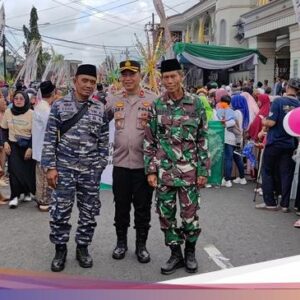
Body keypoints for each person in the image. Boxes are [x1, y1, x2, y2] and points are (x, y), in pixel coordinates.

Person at [144, 59, 210, 275]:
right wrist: (151, 170)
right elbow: (149, 140)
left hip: (189, 172)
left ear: (181, 76)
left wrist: (202, 170)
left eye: (173, 76)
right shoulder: (157, 105)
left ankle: (190, 252)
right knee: (165, 215)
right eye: (165, 77)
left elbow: (202, 139)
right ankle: (175, 254)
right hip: (164, 173)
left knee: (190, 215)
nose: (169, 81)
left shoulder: (197, 104)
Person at [41, 64, 109, 272]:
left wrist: (99, 166)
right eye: (84, 81)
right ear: (75, 81)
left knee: (88, 212)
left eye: (92, 82)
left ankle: (82, 247)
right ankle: (60, 249)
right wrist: (50, 168)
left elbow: (104, 141)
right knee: (60, 211)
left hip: (90, 171)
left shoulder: (99, 108)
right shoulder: (60, 106)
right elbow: (49, 138)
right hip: (64, 169)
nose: (88, 85)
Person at [106, 60, 155, 263]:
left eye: (131, 74)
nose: (127, 78)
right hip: (120, 165)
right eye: (124, 75)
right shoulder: (113, 100)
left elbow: (159, 133)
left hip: (143, 166)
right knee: (121, 207)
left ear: (140, 75)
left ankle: (141, 246)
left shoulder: (153, 99)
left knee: (143, 208)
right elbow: (99, 125)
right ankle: (121, 243)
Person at [256, 78, 300, 211]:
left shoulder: (278, 101)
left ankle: (270, 202)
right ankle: (285, 204)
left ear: (287, 87)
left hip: (275, 142)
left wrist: (263, 120)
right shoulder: (298, 104)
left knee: (267, 170)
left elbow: (271, 122)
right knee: (287, 174)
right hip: (291, 143)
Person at [1, 91, 35, 208]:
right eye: (16, 98)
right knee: (14, 171)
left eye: (21, 98)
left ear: (26, 100)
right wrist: (5, 142)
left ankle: (26, 192)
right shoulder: (8, 112)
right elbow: (3, 129)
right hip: (13, 145)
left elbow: (35, 133)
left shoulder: (31, 113)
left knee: (26, 172)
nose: (18, 101)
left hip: (27, 145)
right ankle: (14, 196)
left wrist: (30, 148)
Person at [32, 81, 56, 212]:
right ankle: (44, 201)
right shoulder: (45, 108)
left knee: (41, 174)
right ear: (53, 92)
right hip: (43, 147)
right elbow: (51, 127)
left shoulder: (40, 106)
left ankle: (41, 198)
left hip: (39, 146)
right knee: (44, 176)